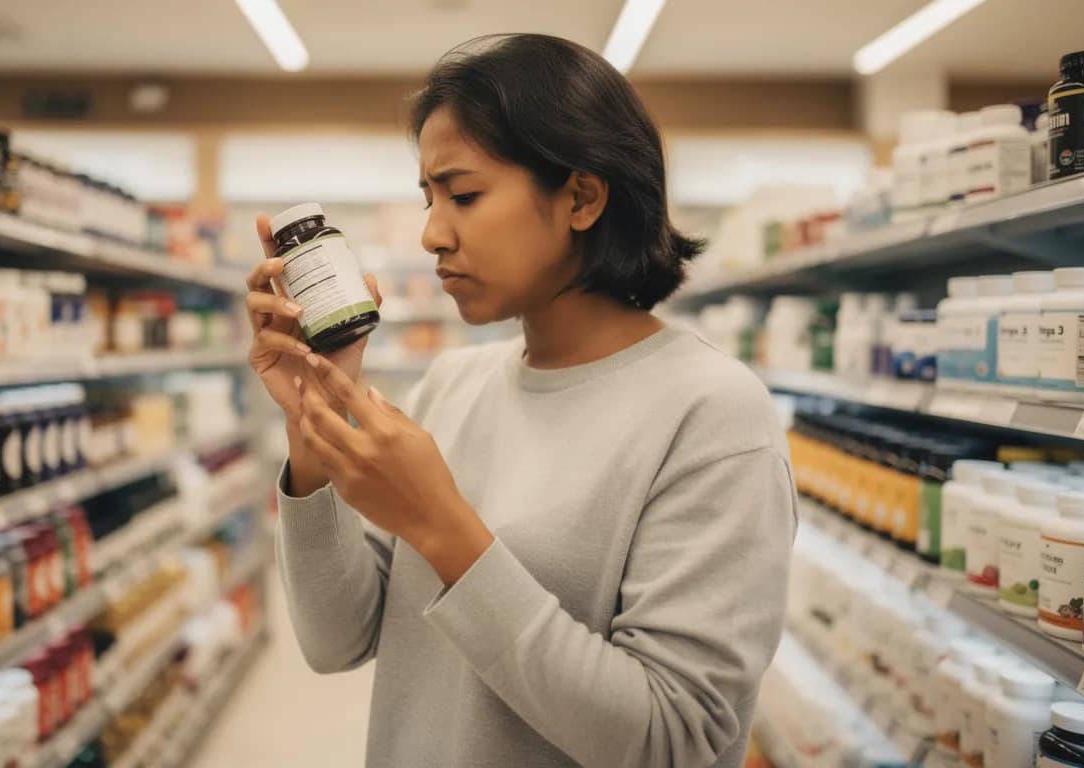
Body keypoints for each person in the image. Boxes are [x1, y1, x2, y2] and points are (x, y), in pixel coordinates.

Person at [245, 33, 797, 768]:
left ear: (581, 196)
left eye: (464, 194)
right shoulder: (453, 385)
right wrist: (311, 422)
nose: (433, 233)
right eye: (429, 196)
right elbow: (334, 641)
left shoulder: (713, 414)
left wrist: (442, 526)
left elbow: (674, 738)